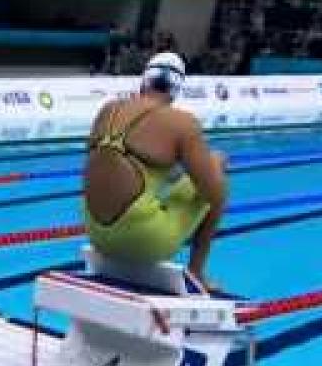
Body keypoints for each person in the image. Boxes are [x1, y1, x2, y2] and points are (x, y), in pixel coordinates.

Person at [83, 52, 228, 288]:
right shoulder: (182, 123)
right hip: (144, 242)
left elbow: (105, 169)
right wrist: (210, 166)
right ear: (177, 88)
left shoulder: (108, 110)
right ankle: (197, 272)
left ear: (143, 80)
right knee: (217, 170)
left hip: (96, 236)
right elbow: (212, 193)